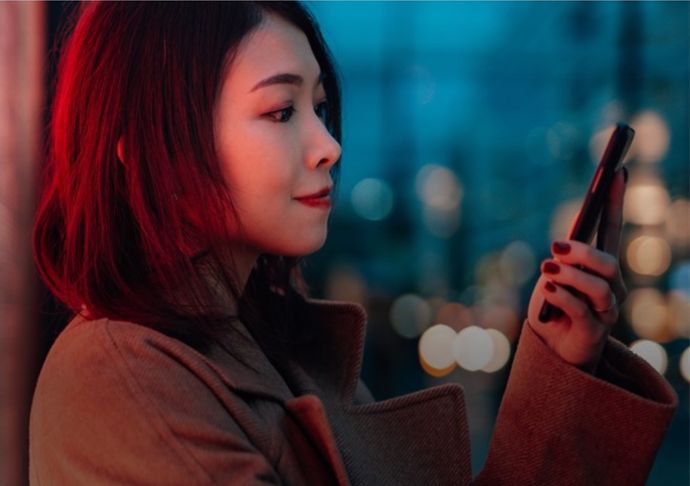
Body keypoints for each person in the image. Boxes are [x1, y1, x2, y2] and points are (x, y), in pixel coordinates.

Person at [29, 2, 677, 485]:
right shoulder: (120, 375)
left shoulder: (272, 352)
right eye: (281, 111)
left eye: (319, 107)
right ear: (154, 151)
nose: (329, 146)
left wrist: (561, 363)